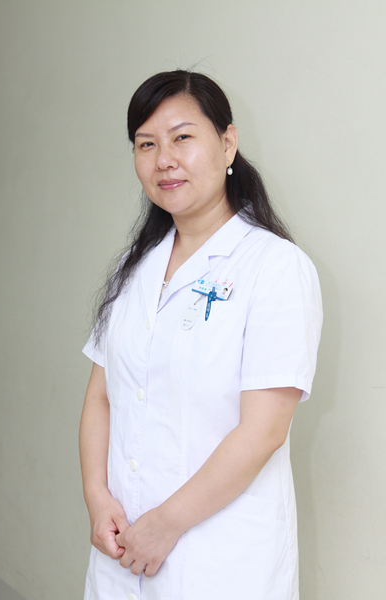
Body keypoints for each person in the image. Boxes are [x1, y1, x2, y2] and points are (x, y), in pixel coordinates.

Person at [79, 69, 322, 600]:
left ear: (227, 143)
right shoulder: (133, 267)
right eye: (146, 144)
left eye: (182, 137)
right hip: (123, 549)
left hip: (220, 560)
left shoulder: (275, 267)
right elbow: (101, 396)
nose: (164, 159)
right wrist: (97, 497)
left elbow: (263, 432)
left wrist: (166, 524)